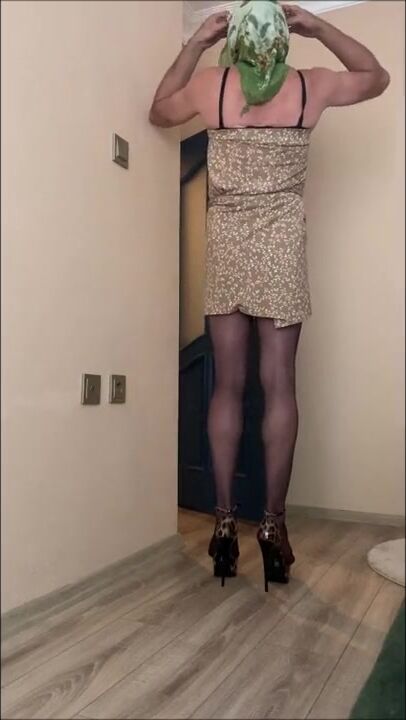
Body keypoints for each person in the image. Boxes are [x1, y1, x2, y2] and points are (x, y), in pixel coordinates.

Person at [149, 1, 390, 590]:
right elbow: (376, 76)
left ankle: (224, 521)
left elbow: (158, 110)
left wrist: (196, 42)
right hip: (281, 246)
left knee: (227, 387)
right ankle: (274, 526)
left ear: (234, 40)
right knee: (279, 384)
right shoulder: (310, 87)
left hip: (228, 245)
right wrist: (320, 26)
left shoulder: (212, 87)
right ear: (284, 38)